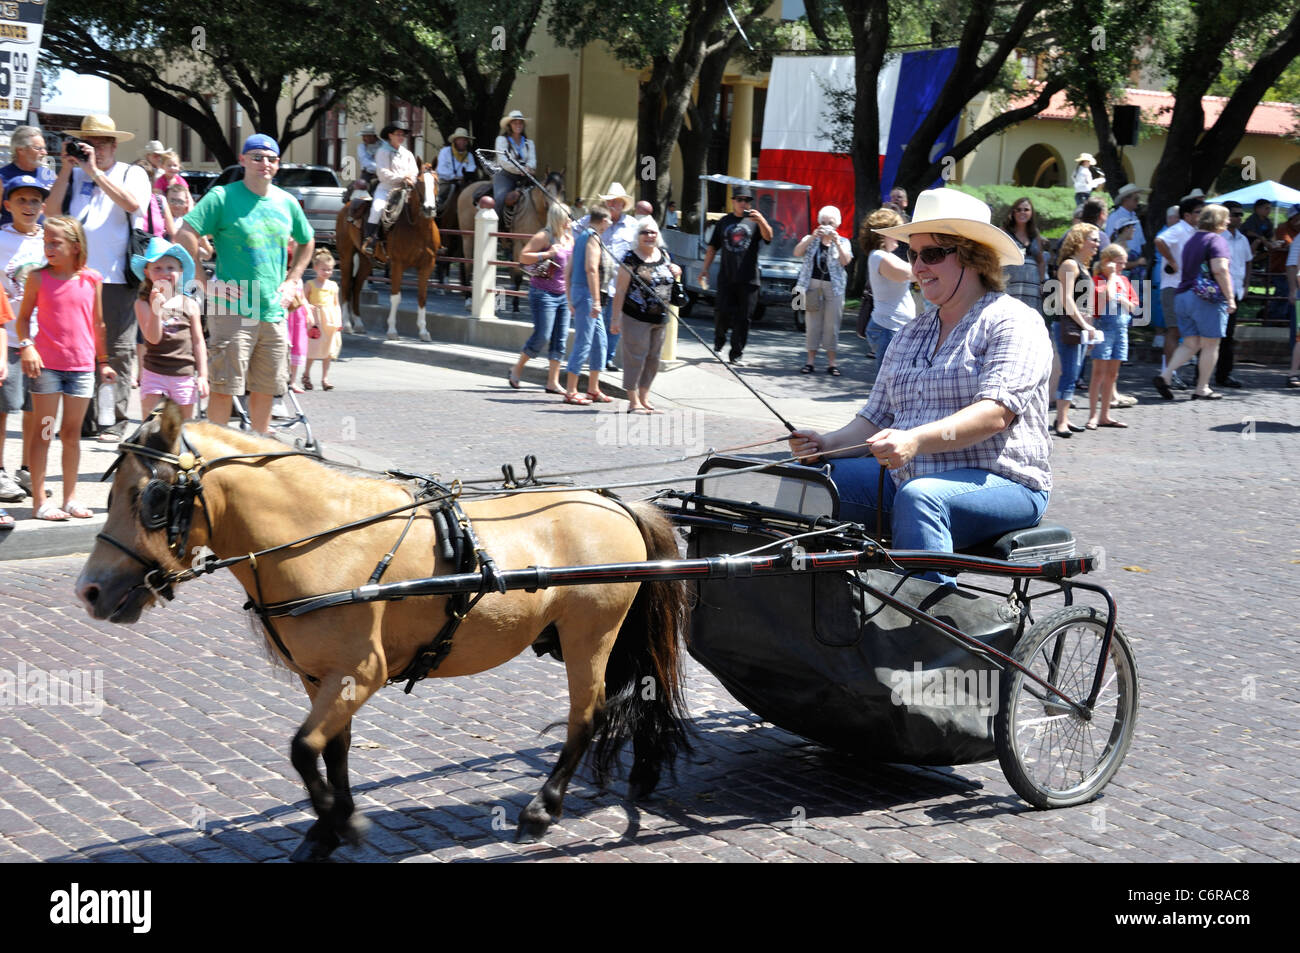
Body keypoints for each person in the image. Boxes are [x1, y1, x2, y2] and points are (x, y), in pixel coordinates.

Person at [788, 188, 1052, 585]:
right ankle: (817, 608)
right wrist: (824, 443)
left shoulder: (1013, 321)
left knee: (922, 496)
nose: (918, 266)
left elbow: (995, 413)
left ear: (972, 255)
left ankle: (927, 630)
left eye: (932, 254)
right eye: (913, 254)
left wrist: (914, 440)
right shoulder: (910, 333)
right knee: (805, 479)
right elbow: (874, 419)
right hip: (908, 478)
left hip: (1005, 482)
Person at [178, 133, 314, 434]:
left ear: (277, 165)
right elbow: (185, 234)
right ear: (243, 160)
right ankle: (214, 455)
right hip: (232, 308)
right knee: (225, 387)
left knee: (266, 388)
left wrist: (293, 280)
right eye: (257, 157)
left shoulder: (287, 202)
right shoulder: (222, 197)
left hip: (272, 310)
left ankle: (255, 452)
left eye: (271, 159)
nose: (264, 163)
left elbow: (308, 241)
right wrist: (201, 279)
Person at [45, 114, 151, 442]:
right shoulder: (74, 176)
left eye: (102, 143)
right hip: (76, 278)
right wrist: (67, 167)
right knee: (80, 350)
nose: (95, 148)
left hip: (116, 277)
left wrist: (95, 172)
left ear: (114, 145)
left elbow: (133, 204)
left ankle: (112, 420)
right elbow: (49, 212)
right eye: (88, 143)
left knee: (117, 351)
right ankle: (85, 420)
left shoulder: (132, 173)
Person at [13, 217, 114, 520]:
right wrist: (26, 344)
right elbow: (22, 319)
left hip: (81, 369)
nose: (48, 248)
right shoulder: (37, 277)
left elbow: (98, 324)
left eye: (55, 242)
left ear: (75, 245)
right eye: (46, 242)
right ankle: (40, 501)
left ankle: (70, 498)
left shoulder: (92, 279)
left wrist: (104, 362)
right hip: (47, 369)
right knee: (43, 432)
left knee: (71, 434)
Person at [1153, 204, 1236, 401]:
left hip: (1182, 295)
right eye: (1226, 218)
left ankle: (1165, 375)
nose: (1229, 221)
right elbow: (1220, 270)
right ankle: (1202, 388)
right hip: (1205, 298)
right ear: (1217, 221)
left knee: (1190, 343)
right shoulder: (1217, 240)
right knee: (1210, 344)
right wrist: (1230, 297)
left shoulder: (1191, 240)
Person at [0, 174, 48, 511]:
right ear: (7, 205)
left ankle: (30, 469)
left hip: (45, 340)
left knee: (39, 410)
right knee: (3, 408)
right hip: (8, 337)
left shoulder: (52, 241)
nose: (29, 207)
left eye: (35, 201)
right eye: (22, 200)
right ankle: (0, 470)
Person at [611, 215, 681, 413]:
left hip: (660, 316)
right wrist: (615, 318)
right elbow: (621, 290)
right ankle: (633, 402)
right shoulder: (630, 258)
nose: (649, 236)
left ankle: (644, 397)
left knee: (653, 359)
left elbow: (672, 282)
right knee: (635, 357)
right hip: (635, 316)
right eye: (644, 232)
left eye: (653, 232)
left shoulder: (665, 255)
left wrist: (677, 272)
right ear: (638, 235)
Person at [131, 237, 206, 420]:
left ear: (180, 272)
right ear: (147, 272)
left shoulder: (190, 304)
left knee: (183, 429)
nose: (164, 272)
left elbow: (198, 341)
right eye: (157, 268)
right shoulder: (142, 304)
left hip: (184, 374)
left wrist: (203, 375)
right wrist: (156, 308)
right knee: (150, 427)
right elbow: (153, 339)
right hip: (154, 372)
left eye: (171, 268)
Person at [698, 187, 772, 365]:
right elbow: (712, 247)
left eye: (747, 200)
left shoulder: (755, 222)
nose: (744, 203)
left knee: (744, 318)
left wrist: (761, 220)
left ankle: (736, 354)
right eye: (740, 199)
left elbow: (769, 237)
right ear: (733, 201)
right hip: (727, 277)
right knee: (722, 312)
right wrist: (704, 269)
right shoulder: (724, 221)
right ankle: (719, 343)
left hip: (749, 278)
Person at [508, 202, 574, 396]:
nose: (570, 220)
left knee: (560, 339)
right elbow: (523, 257)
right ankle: (517, 368)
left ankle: (552, 382)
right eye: (567, 216)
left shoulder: (571, 238)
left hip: (564, 294)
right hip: (543, 293)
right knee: (542, 335)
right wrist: (547, 253)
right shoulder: (544, 236)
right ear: (558, 218)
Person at [1051, 223, 1101, 438]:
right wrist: (1085, 324)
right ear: (1080, 240)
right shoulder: (1070, 265)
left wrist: (1090, 328)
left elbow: (1086, 303)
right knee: (1070, 373)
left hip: (1079, 326)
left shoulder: (1083, 266)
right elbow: (1066, 300)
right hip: (1068, 325)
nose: (1098, 244)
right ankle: (1061, 421)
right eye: (1094, 239)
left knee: (1075, 371)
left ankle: (1064, 417)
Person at [792, 205, 853, 375]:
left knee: (831, 325)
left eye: (830, 222)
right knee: (812, 324)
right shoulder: (811, 239)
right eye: (823, 222)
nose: (826, 225)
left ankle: (832, 363)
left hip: (834, 287)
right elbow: (797, 252)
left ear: (837, 225)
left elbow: (846, 261)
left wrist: (837, 241)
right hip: (812, 285)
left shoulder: (844, 241)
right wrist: (812, 237)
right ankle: (810, 361)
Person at [563, 204, 611, 405]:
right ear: (604, 220)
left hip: (581, 292)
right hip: (588, 294)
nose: (610, 222)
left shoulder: (581, 235)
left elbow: (569, 269)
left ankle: (593, 388)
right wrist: (596, 301)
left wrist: (568, 296)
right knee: (584, 341)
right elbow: (591, 269)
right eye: (609, 219)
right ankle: (571, 390)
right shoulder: (592, 237)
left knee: (600, 341)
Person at [1153, 196, 1205, 383]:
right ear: (1187, 215)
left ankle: (1174, 372)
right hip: (1173, 287)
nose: (1202, 215)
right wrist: (1173, 262)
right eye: (1199, 212)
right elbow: (1159, 241)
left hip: (1189, 287)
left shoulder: (1196, 232)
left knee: (1191, 332)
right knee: (1174, 331)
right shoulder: (1178, 229)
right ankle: (1168, 373)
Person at [1088, 243, 1136, 429]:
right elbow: (1106, 296)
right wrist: (1112, 276)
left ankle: (1105, 415)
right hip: (1105, 328)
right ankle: (1093, 415)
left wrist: (1122, 298)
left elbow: (1133, 306)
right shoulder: (1100, 279)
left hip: (1121, 330)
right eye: (1119, 263)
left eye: (1124, 263)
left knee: (1112, 374)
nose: (1123, 266)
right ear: (1108, 262)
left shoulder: (1125, 281)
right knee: (1098, 373)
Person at [859, 207, 914, 368]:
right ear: (884, 232)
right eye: (896, 230)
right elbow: (907, 274)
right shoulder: (879, 255)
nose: (899, 235)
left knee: (890, 384)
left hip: (891, 327)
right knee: (887, 385)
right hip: (888, 328)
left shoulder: (883, 255)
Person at [362, 121, 417, 256]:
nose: (401, 137)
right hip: (386, 189)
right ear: (390, 135)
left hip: (405, 190)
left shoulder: (407, 153)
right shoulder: (382, 152)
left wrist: (411, 179)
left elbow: (414, 170)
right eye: (398, 134)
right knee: (377, 209)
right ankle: (370, 239)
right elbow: (383, 173)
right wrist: (403, 177)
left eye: (402, 135)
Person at [1217, 202, 1252, 389]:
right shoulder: (1216, 237)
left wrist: (1246, 284)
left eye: (1241, 214)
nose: (1239, 218)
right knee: (1210, 335)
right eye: (1235, 214)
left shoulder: (1243, 239)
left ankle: (1224, 374)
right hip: (1217, 292)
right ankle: (1201, 374)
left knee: (1228, 335)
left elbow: (1248, 262)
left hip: (1235, 291)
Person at [0, 126, 55, 228]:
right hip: (11, 240)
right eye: (38, 148)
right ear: (21, 150)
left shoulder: (50, 175)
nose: (44, 153)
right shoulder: (2, 177)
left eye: (44, 148)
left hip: (43, 239)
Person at [304, 249, 342, 390]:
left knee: (329, 350)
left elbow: (336, 304)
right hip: (316, 320)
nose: (326, 272)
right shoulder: (310, 284)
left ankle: (325, 378)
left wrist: (339, 320)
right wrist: (308, 307)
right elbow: (302, 300)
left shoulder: (333, 286)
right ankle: (306, 374)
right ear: (315, 268)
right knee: (313, 349)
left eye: (329, 269)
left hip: (330, 319)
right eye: (323, 269)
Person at [1001, 196, 1047, 313]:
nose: (1022, 212)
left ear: (1031, 213)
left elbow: (1041, 261)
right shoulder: (1005, 231)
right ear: (1013, 212)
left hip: (1032, 285)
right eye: (1019, 209)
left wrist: (1042, 282)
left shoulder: (1034, 233)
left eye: (1026, 209)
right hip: (1010, 283)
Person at [493, 110, 537, 215]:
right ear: (509, 125)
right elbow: (503, 161)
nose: (518, 125)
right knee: (500, 198)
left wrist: (528, 167)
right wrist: (521, 169)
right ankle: (496, 226)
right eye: (515, 122)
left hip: (525, 176)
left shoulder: (529, 143)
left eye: (520, 123)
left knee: (542, 194)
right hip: (505, 175)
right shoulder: (501, 140)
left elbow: (533, 160)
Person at [435, 127, 476, 212]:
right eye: (460, 140)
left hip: (463, 182)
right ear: (455, 141)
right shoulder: (445, 151)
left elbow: (471, 168)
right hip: (446, 181)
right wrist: (454, 177)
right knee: (439, 197)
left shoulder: (469, 155)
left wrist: (466, 177)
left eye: (465, 140)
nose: (462, 142)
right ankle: (436, 214)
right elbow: (441, 169)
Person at [356, 124, 380, 190]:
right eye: (363, 136)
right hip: (367, 174)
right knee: (361, 187)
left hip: (384, 175)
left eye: (365, 136)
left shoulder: (383, 145)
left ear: (372, 136)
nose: (363, 139)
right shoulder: (362, 147)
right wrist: (380, 169)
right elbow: (365, 162)